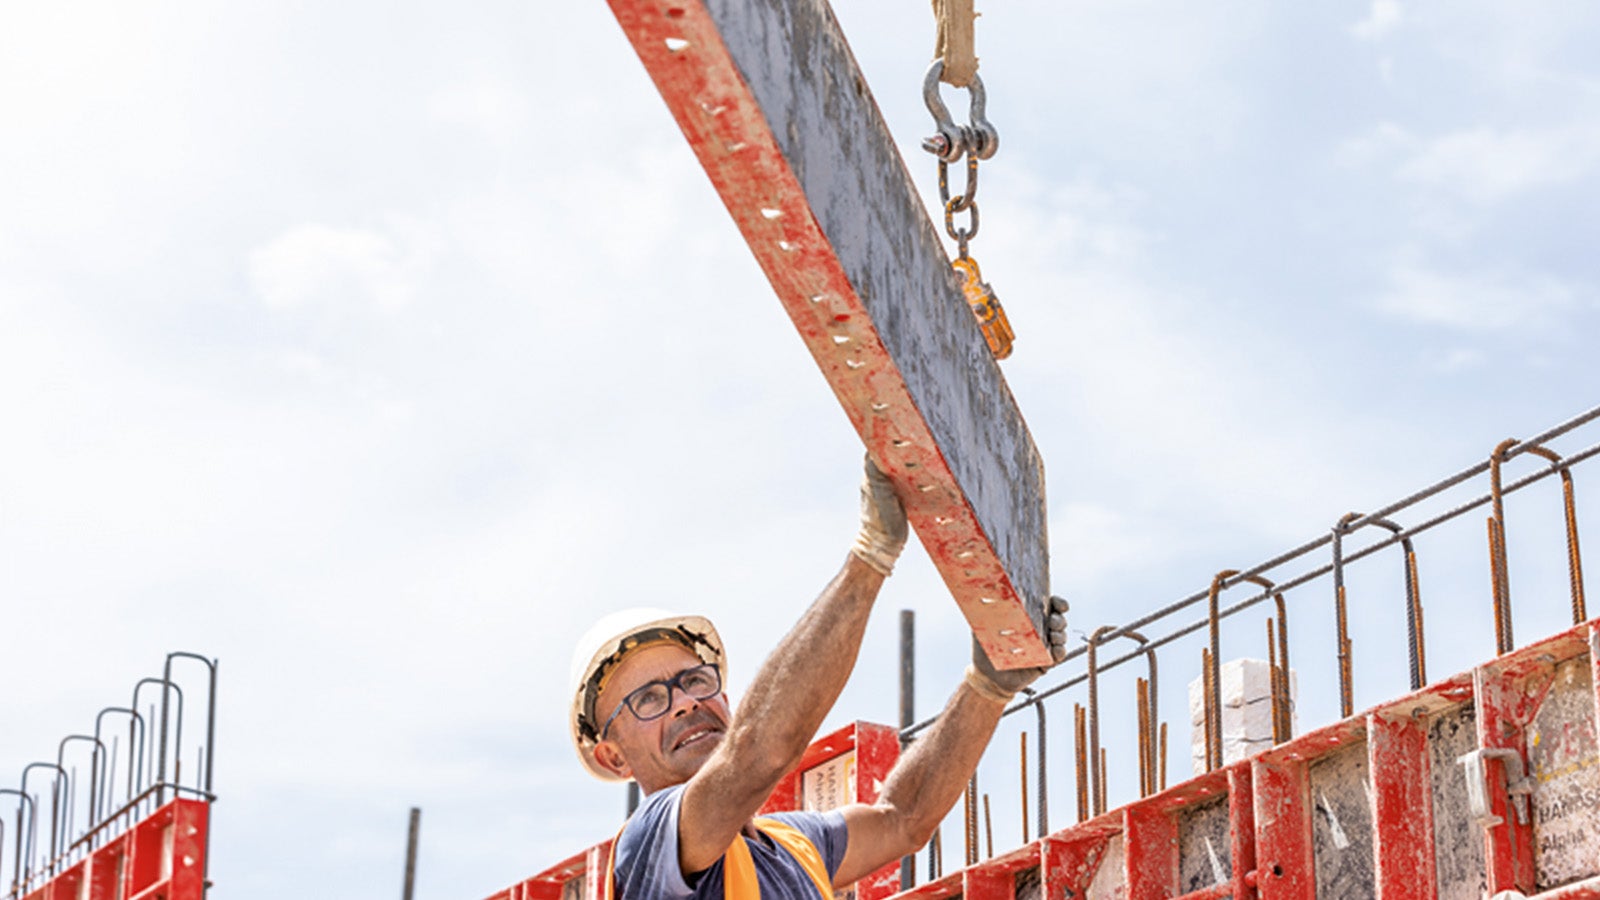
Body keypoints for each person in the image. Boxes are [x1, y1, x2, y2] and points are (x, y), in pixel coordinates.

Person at [567, 459, 1068, 899]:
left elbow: (903, 820)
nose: (683, 703)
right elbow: (756, 753)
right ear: (613, 757)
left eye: (695, 680)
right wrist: (870, 557)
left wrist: (987, 686)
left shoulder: (794, 846)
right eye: (649, 699)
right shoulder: (650, 846)